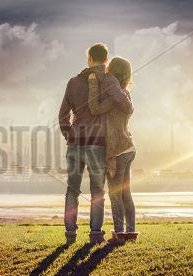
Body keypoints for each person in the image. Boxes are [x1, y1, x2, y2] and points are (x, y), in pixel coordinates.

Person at [58, 43, 131, 245]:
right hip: (97, 145)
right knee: (97, 191)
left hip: (75, 143)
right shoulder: (109, 80)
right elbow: (125, 105)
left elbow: (63, 115)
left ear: (89, 58)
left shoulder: (73, 82)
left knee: (72, 190)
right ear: (106, 60)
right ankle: (95, 235)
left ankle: (70, 234)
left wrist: (69, 134)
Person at [87, 56, 138, 243]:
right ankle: (130, 233)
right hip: (129, 147)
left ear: (113, 73)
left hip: (117, 151)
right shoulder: (126, 95)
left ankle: (119, 234)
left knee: (115, 195)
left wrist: (93, 85)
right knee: (125, 194)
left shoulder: (112, 99)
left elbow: (94, 108)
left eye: (108, 69)